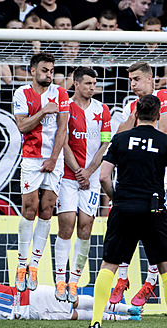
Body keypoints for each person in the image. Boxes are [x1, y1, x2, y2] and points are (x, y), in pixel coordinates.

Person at [83, 95, 167, 328]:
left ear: (136, 114)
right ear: (159, 116)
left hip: (124, 207)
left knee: (109, 265)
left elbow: (104, 177)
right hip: (154, 208)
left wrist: (117, 199)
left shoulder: (119, 139)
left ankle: (96, 323)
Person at [109, 62, 167, 308]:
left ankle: (150, 281)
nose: (133, 84)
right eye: (131, 80)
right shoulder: (132, 106)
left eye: (137, 79)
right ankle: (123, 280)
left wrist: (135, 131)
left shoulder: (163, 97)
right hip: (136, 176)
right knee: (126, 231)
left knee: (153, 234)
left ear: (150, 79)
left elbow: (164, 131)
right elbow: (117, 136)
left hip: (159, 174)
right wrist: (133, 118)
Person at [13, 53, 70, 293]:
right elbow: (22, 126)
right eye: (45, 70)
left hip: (53, 160)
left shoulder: (61, 94)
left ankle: (34, 265)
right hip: (30, 158)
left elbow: (63, 129)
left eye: (51, 70)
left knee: (47, 210)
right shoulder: (21, 94)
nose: (49, 74)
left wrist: (54, 158)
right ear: (33, 71)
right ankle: (21, 263)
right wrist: (44, 111)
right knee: (29, 209)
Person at [54, 67, 112, 303]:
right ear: (75, 84)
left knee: (85, 228)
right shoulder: (65, 107)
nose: (92, 87)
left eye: (94, 84)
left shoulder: (103, 110)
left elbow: (105, 143)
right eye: (87, 83)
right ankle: (60, 280)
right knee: (66, 224)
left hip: (91, 178)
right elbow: (62, 140)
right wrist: (78, 170)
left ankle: (74, 281)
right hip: (68, 176)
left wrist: (88, 171)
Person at [0, 280, 141, 321]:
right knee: (77, 301)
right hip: (32, 294)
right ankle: (127, 308)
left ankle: (128, 319)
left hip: (28, 311)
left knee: (75, 314)